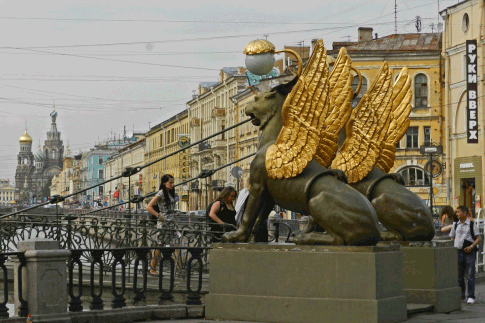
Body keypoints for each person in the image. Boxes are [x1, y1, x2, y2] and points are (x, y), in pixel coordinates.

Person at [449, 205, 482, 304]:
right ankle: (461, 295)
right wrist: (455, 245)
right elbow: (452, 237)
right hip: (458, 251)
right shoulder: (456, 225)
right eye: (456, 212)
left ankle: (471, 296)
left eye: (458, 212)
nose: (457, 214)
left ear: (464, 213)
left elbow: (479, 238)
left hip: (469, 252)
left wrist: (471, 246)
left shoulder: (472, 224)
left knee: (470, 275)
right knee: (459, 275)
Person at [146, 174, 177, 276]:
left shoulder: (170, 193)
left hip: (172, 223)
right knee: (159, 245)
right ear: (164, 183)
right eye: (170, 182)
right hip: (163, 223)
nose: (172, 184)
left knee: (176, 245)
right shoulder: (161, 193)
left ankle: (180, 269)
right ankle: (152, 268)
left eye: (173, 182)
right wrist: (159, 216)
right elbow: (149, 207)